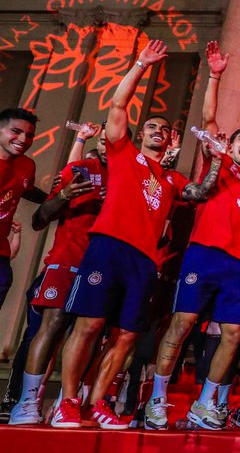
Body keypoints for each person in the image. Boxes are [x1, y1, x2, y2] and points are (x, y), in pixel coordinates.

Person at [53, 39, 221, 429]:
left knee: (126, 335)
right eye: (152, 127)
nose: (158, 131)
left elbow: (201, 192)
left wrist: (217, 159)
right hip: (108, 247)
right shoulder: (123, 153)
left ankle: (97, 402)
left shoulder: (171, 178)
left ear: (172, 141)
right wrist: (140, 66)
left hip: (143, 260)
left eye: (165, 129)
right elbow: (116, 107)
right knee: (90, 324)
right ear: (140, 134)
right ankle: (67, 401)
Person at [148, 41, 240, 431]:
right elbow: (210, 118)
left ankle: (205, 403)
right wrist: (215, 75)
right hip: (202, 255)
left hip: (234, 264)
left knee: (232, 334)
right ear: (231, 145)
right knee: (182, 323)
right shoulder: (219, 162)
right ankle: (157, 400)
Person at [8, 123, 104, 425]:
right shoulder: (83, 170)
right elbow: (40, 218)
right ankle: (26, 401)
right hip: (66, 261)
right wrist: (63, 194)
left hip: (100, 268)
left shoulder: (128, 178)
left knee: (88, 334)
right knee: (51, 327)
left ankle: (66, 402)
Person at [0, 106, 43, 314]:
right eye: (16, 131)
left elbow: (27, 190)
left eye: (29, 135)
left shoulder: (27, 165)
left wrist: (60, 199)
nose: (23, 139)